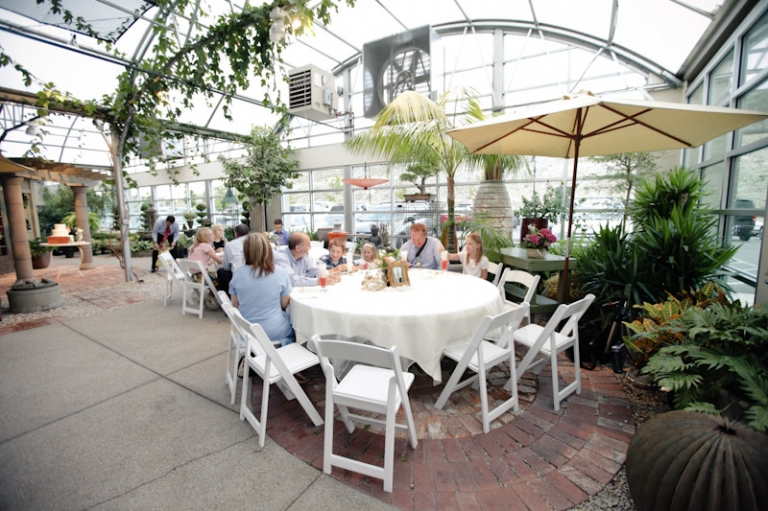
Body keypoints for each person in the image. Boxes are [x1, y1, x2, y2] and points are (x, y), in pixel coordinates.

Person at [230, 233, 295, 346]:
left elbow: (235, 304)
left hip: (247, 330)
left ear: (246, 251)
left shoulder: (238, 274)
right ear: (268, 250)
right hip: (273, 331)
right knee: (297, 325)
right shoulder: (280, 272)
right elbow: (284, 304)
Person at [274, 232, 339, 287]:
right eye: (308, 245)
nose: (310, 247)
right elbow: (291, 280)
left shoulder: (304, 256)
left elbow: (314, 270)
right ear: (298, 248)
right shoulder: (280, 258)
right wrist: (318, 281)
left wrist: (328, 276)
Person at [217, 223, 250, 294]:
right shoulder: (256, 242)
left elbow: (226, 267)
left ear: (236, 234)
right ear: (248, 233)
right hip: (257, 272)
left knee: (221, 271)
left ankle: (228, 297)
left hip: (237, 276)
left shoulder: (229, 245)